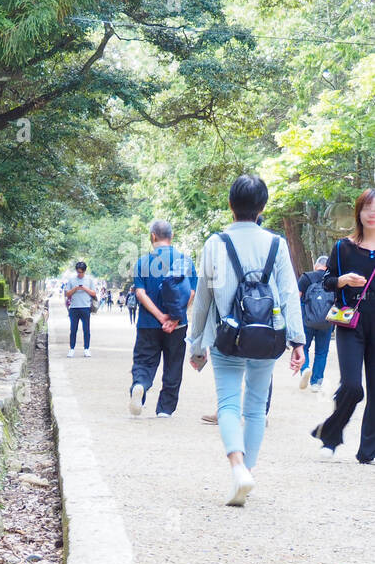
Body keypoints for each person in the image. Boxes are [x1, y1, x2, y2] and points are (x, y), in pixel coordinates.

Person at [186, 174, 304, 506]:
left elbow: (204, 301)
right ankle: (248, 470)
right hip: (267, 338)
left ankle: (237, 468)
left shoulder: (215, 244)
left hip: (226, 337)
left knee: (227, 404)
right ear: (262, 207)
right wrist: (298, 341)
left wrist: (196, 344)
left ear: (230, 205)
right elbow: (289, 295)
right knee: (255, 408)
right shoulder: (277, 244)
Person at [312, 188, 375, 461]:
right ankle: (331, 434)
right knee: (352, 386)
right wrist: (343, 280)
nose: (372, 214)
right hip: (352, 321)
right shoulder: (343, 247)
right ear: (358, 212)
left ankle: (367, 451)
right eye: (367, 208)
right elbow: (326, 281)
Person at [128, 220, 197, 418]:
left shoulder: (142, 262)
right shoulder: (185, 261)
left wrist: (158, 316)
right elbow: (191, 292)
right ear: (171, 237)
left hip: (148, 323)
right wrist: (173, 319)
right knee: (173, 364)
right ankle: (165, 409)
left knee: (144, 361)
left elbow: (140, 293)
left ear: (153, 237)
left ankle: (140, 385)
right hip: (177, 324)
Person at [297, 254, 333, 394]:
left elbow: (296, 298)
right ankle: (316, 383)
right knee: (321, 352)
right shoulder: (333, 280)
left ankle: (305, 368)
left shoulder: (306, 277)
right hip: (327, 322)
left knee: (303, 347)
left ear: (316, 265)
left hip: (306, 320)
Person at [62, 260, 97, 357]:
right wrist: (75, 288)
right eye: (78, 272)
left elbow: (94, 293)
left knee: (86, 330)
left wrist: (85, 288)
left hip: (85, 307)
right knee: (73, 330)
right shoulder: (71, 280)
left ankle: (86, 349)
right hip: (74, 308)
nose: (79, 274)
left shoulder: (89, 280)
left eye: (81, 272)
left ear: (84, 271)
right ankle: (72, 349)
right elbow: (67, 294)